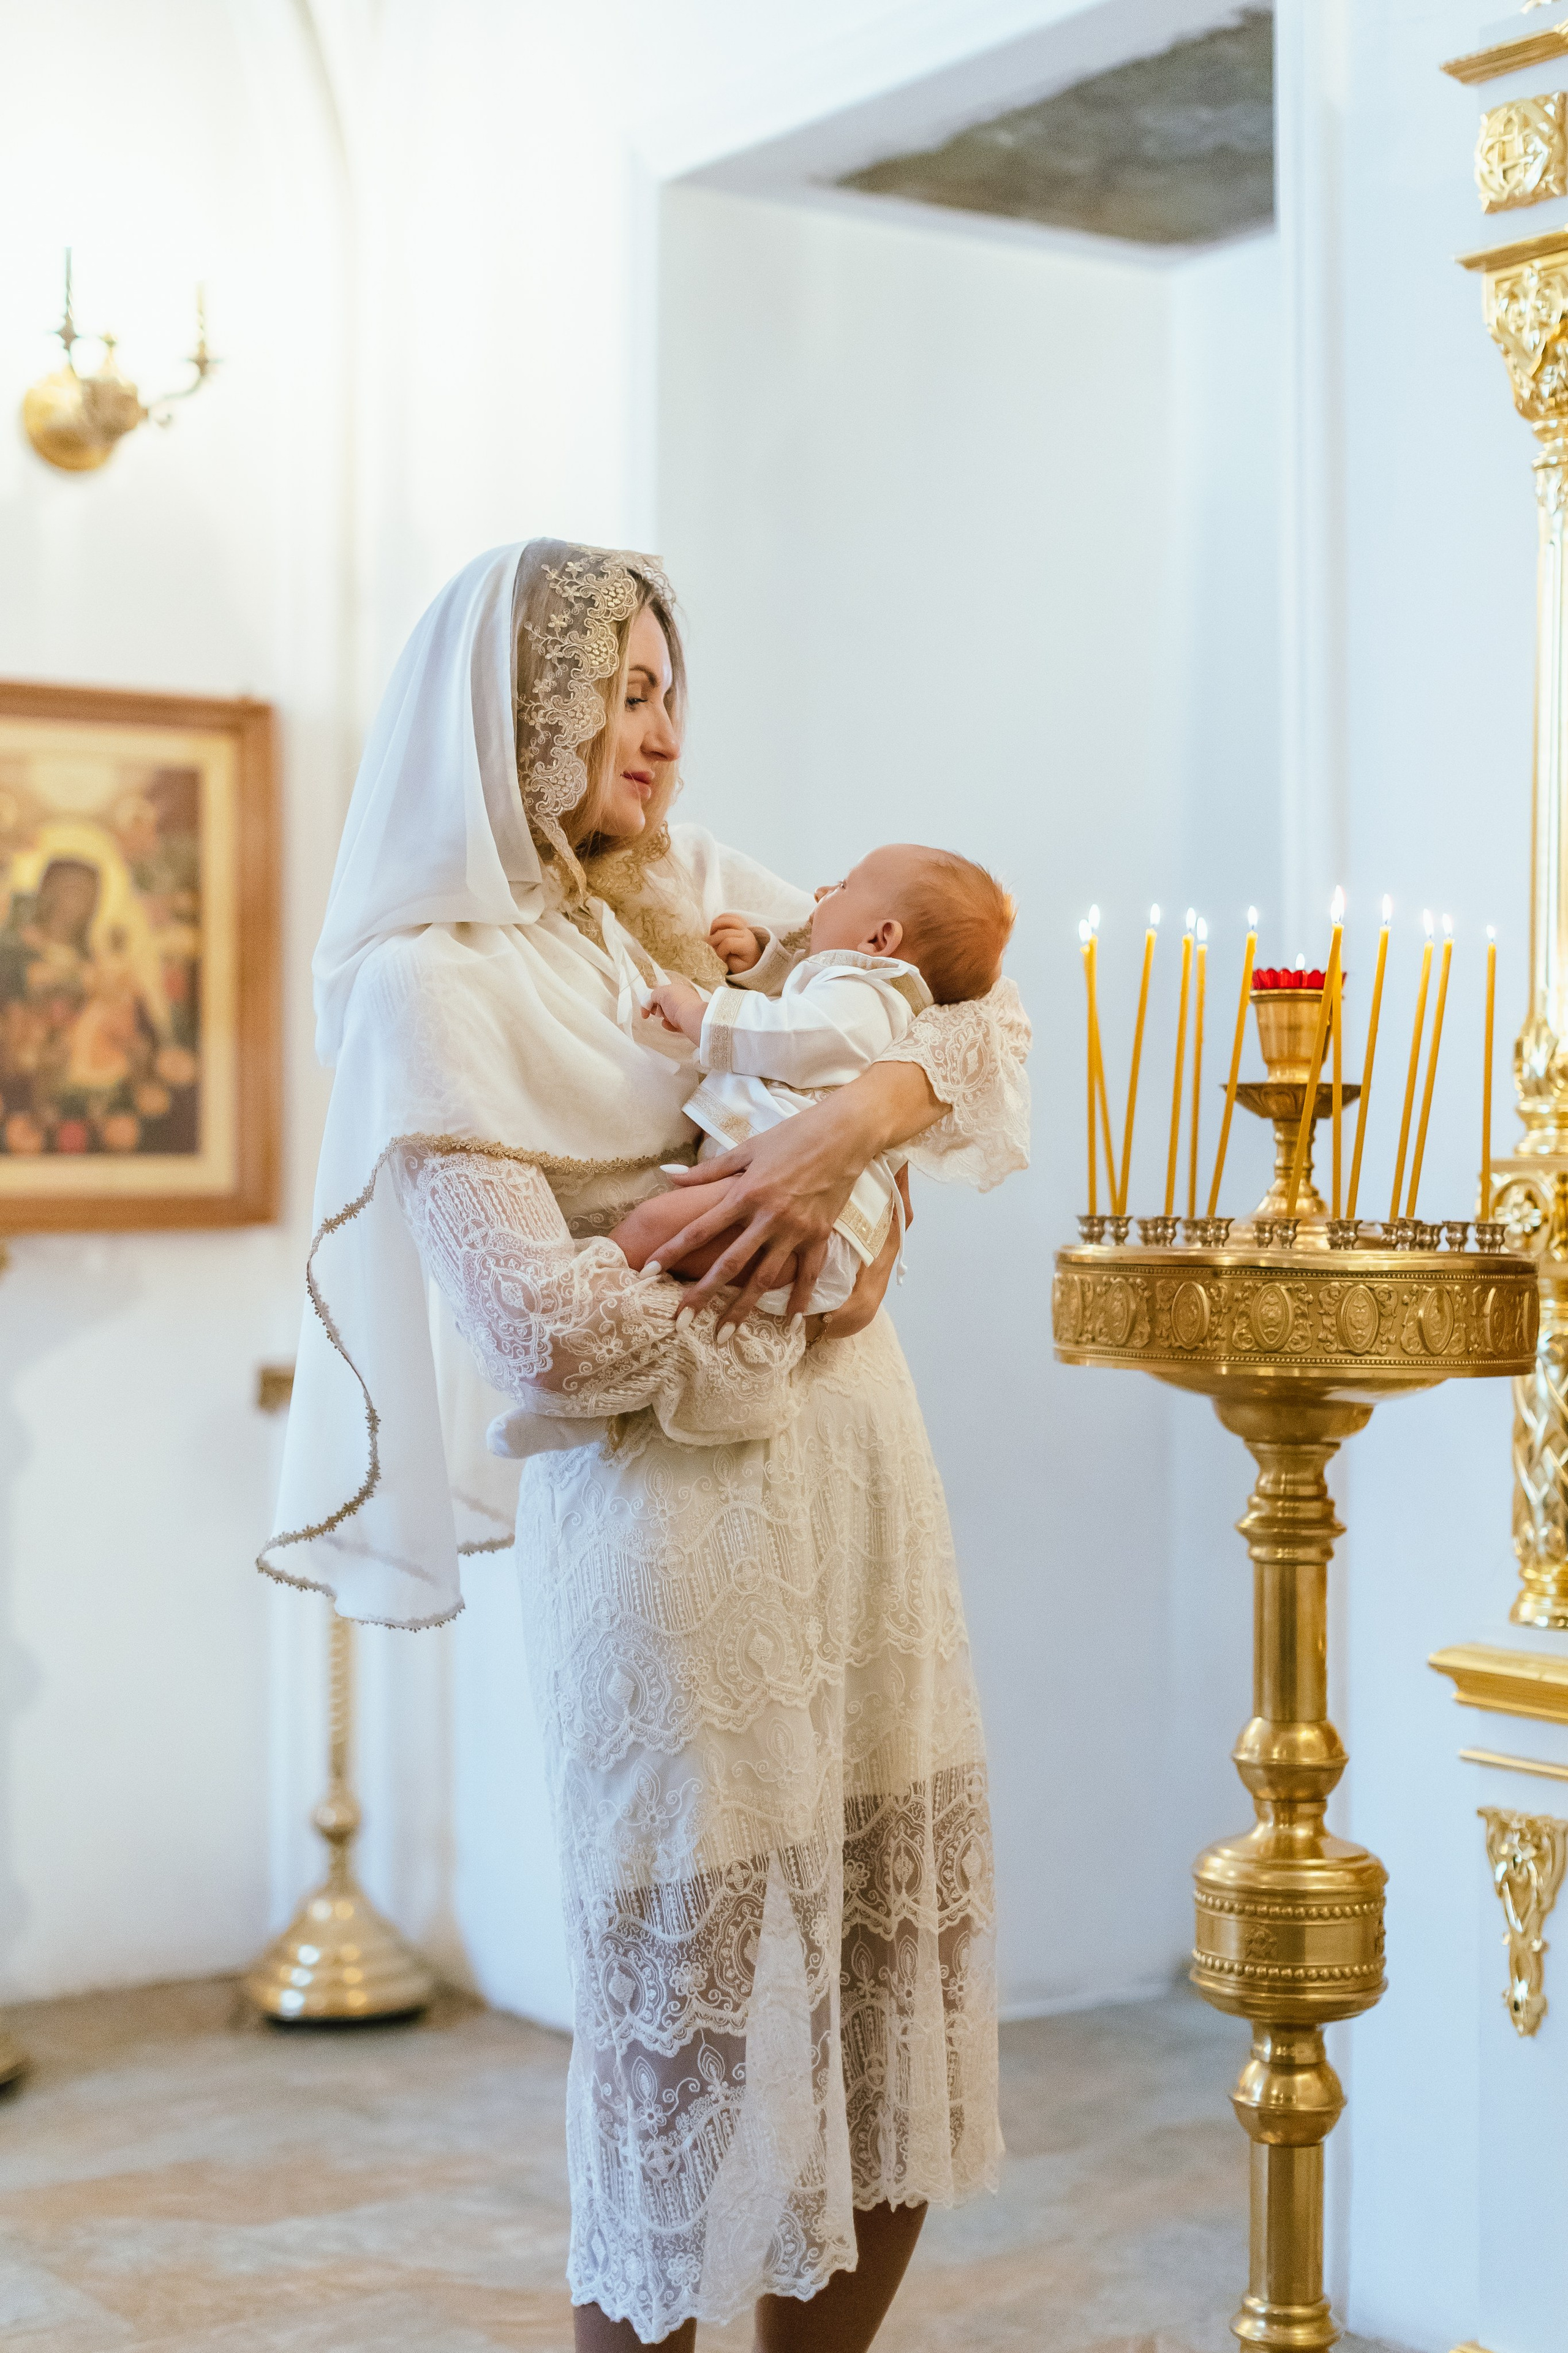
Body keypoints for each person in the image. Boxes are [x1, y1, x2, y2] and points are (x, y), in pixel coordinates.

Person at [263, 540, 1031, 2352]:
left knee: (885, 1990)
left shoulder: (701, 891)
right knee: (683, 2046)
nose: (664, 730)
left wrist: (841, 1130)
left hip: (865, 1487)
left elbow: (983, 1018)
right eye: (623, 690)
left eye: (672, 689)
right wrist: (800, 1274)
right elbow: (541, 1327)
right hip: (671, 1528)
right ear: (516, 714)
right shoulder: (426, 984)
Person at [613, 842, 1016, 1315]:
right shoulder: (875, 1003)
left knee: (650, 1226)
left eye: (843, 886)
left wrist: (694, 1012)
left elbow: (781, 1034)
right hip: (808, 1216)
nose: (821, 892)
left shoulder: (865, 1001)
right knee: (662, 1239)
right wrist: (762, 962)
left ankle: (579, 1292)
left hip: (805, 1222)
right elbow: (808, 1006)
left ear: (880, 940)